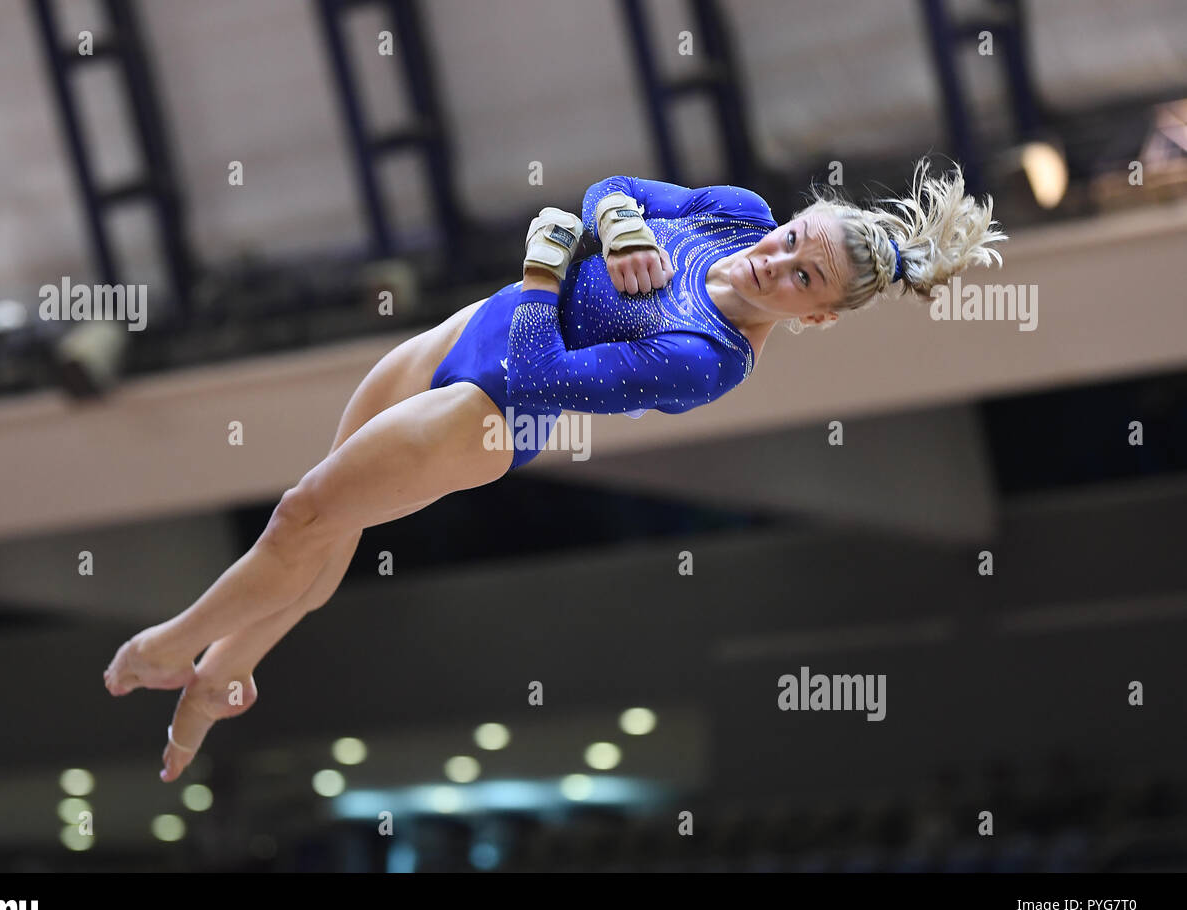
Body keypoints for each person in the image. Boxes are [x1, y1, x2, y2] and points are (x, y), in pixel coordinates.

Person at [103, 157, 1007, 781]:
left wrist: (545, 270)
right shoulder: (735, 212)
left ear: (817, 318)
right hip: (469, 325)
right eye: (794, 237)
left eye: (802, 279)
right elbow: (612, 187)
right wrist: (615, 229)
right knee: (327, 527)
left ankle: (173, 643)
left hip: (489, 412)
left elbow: (544, 377)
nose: (774, 260)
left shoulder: (707, 358)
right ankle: (222, 680)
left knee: (304, 514)